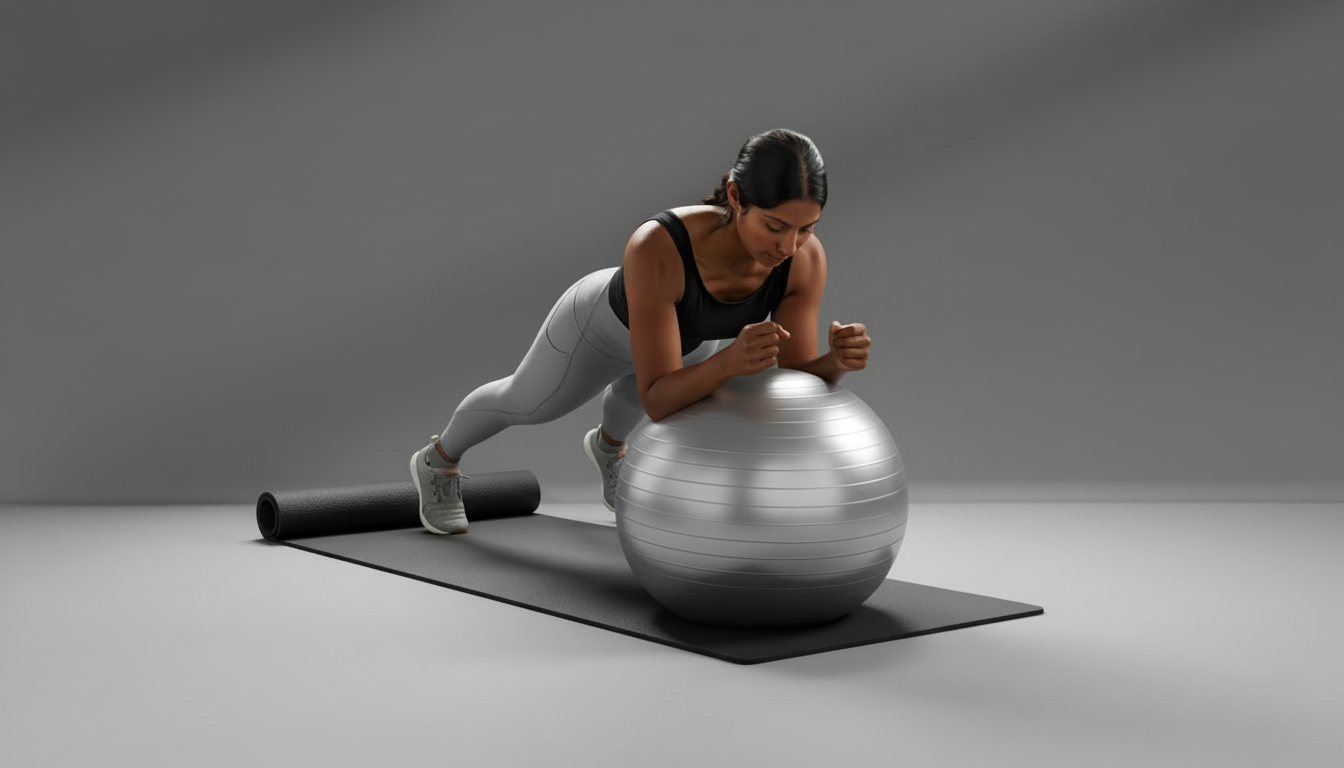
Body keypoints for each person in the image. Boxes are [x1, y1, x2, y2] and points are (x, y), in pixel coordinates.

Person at [409, 128, 872, 534]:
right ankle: (437, 461)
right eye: (775, 227)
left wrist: (835, 362)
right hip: (597, 330)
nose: (789, 247)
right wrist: (728, 364)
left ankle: (609, 449)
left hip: (690, 339)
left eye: (806, 229)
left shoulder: (803, 261)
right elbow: (660, 398)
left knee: (642, 395)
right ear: (735, 197)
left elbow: (792, 385)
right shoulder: (658, 243)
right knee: (527, 403)